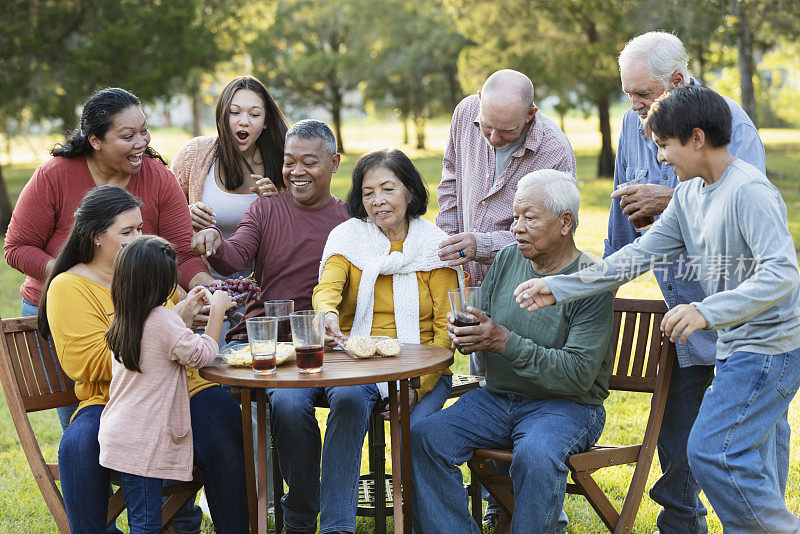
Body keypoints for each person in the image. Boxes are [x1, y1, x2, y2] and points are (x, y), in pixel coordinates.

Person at [515, 85, 800, 534]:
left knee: (712, 451)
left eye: (665, 145)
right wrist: (559, 287)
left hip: (770, 348)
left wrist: (707, 311)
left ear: (697, 139)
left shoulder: (749, 191)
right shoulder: (690, 196)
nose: (662, 159)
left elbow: (782, 273)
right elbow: (635, 257)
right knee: (739, 460)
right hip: (738, 346)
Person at [609, 31, 769, 534]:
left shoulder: (729, 123)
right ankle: (680, 527)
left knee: (748, 440)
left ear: (676, 81)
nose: (634, 106)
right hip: (681, 312)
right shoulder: (634, 125)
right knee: (677, 437)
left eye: (642, 94)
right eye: (628, 95)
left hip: (740, 313)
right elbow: (621, 225)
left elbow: (740, 218)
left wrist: (669, 198)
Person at [412, 169, 613, 534]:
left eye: (529, 218)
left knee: (535, 455)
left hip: (568, 406)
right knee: (425, 439)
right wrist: (467, 331)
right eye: (515, 217)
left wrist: (504, 341)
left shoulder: (590, 280)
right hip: (498, 398)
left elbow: (578, 375)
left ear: (565, 222)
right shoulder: (507, 259)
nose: (517, 227)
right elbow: (483, 319)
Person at [38, 185, 249, 534]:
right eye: (126, 232)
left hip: (182, 388)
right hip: (113, 398)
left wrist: (181, 319)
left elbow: (172, 341)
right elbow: (83, 362)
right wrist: (169, 329)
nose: (139, 237)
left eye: (140, 228)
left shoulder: (148, 270)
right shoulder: (69, 286)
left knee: (224, 420)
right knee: (78, 445)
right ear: (95, 238)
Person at [3, 87, 214, 431]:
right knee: (85, 420)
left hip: (139, 310)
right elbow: (18, 247)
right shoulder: (54, 175)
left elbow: (183, 253)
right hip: (66, 309)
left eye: (144, 131)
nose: (141, 142)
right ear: (95, 141)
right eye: (128, 135)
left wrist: (206, 288)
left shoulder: (159, 177)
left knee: (141, 414)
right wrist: (80, 275)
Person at [278, 148, 460, 534]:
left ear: (409, 191)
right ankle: (331, 525)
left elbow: (446, 331)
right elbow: (327, 288)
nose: (378, 201)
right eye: (368, 192)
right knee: (323, 399)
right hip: (355, 361)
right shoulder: (349, 237)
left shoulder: (435, 245)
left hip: (422, 368)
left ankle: (414, 522)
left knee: (417, 432)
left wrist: (415, 387)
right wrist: (327, 313)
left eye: (388, 189)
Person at [191, 120, 350, 534]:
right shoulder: (265, 208)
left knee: (352, 400)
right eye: (289, 161)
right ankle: (299, 515)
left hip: (333, 344)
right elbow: (235, 253)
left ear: (333, 163)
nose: (296, 171)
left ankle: (336, 521)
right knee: (288, 405)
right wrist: (213, 242)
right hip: (278, 348)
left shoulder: (350, 218)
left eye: (309, 162)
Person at [435, 68, 577, 529]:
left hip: (524, 279)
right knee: (489, 384)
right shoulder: (465, 115)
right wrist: (451, 235)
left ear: (531, 116)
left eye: (507, 131)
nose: (493, 137)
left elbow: (550, 234)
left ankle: (514, 508)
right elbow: (451, 179)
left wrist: (483, 242)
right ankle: (499, 503)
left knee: (516, 377)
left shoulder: (554, 150)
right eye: (486, 126)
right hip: (471, 276)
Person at [98, 235, 235, 533]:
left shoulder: (124, 317)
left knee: (141, 519)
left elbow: (167, 340)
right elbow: (203, 354)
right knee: (147, 525)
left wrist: (186, 306)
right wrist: (219, 310)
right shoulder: (162, 320)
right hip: (146, 441)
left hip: (122, 436)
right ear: (163, 281)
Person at [171, 75, 288, 340]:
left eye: (254, 114)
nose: (243, 121)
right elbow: (163, 216)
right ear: (223, 116)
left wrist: (278, 204)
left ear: (267, 121)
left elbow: (296, 230)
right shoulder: (194, 155)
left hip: (259, 289)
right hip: (200, 282)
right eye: (234, 112)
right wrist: (184, 217)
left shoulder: (283, 163)